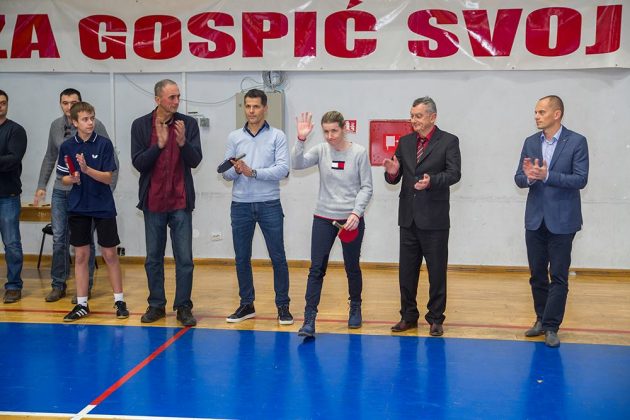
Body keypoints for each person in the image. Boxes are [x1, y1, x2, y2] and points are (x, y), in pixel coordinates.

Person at [514, 95, 589, 348]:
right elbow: (519, 178)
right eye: (535, 112)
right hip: (535, 220)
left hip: (563, 221)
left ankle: (552, 326)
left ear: (557, 114)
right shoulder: (530, 142)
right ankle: (541, 318)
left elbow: (580, 179)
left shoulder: (577, 141)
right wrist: (529, 177)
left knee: (558, 276)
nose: (536, 116)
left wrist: (547, 176)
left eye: (542, 112)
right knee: (537, 274)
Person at [384, 96, 461, 336]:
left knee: (436, 272)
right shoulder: (405, 142)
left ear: (432, 117)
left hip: (434, 218)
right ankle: (408, 316)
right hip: (408, 218)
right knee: (406, 272)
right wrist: (392, 173)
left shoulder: (449, 141)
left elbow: (454, 174)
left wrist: (432, 181)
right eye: (412, 116)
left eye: (418, 116)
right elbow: (395, 176)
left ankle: (436, 318)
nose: (413, 120)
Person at [292, 111, 373, 337]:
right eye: (326, 131)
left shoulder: (359, 153)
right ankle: (309, 319)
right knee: (316, 269)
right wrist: (300, 139)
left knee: (352, 266)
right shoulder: (321, 150)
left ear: (344, 128)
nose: (329, 136)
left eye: (334, 131)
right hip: (323, 218)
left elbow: (367, 187)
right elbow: (296, 164)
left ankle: (355, 306)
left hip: (351, 220)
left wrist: (356, 213)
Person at [34, 88, 118, 303]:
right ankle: (58, 284)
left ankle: (84, 288)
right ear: (61, 105)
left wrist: (107, 189)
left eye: (73, 102)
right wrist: (42, 185)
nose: (69, 106)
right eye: (65, 103)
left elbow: (111, 161)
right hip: (62, 191)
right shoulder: (56, 126)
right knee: (59, 238)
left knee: (85, 243)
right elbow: (50, 157)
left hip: (89, 193)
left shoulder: (94, 125)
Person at [131, 79, 202, 327]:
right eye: (171, 97)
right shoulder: (140, 125)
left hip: (180, 201)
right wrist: (158, 146)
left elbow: (195, 160)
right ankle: (156, 305)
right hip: (153, 201)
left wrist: (183, 144)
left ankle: (183, 306)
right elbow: (138, 163)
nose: (176, 101)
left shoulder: (188, 124)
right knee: (153, 257)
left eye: (178, 96)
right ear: (157, 99)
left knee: (185, 259)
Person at [222, 89, 292, 325]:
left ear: (265, 108)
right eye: (248, 106)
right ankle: (246, 304)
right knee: (242, 257)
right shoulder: (234, 137)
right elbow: (226, 174)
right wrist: (236, 170)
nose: (251, 111)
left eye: (256, 106)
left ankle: (283, 306)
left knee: (278, 256)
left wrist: (253, 172)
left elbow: (282, 169)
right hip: (240, 205)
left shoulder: (277, 136)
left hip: (269, 203)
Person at [56, 102, 128, 321]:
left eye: (92, 118)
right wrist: (72, 178)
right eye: (85, 119)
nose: (90, 123)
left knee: (109, 254)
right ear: (74, 122)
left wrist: (87, 170)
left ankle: (119, 301)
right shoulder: (67, 146)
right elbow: (62, 178)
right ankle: (82, 304)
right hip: (78, 207)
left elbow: (108, 177)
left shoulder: (104, 144)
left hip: (102, 205)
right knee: (81, 255)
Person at [0, 89, 27, 304]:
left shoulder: (16, 130)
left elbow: (13, 159)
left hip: (7, 195)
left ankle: (14, 285)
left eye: (3, 102)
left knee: (11, 243)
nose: (0, 106)